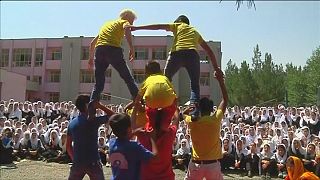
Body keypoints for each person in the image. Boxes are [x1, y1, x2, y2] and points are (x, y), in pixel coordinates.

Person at [130, 15, 220, 120]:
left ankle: (160, 103)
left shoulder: (177, 25)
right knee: (195, 86)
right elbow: (209, 51)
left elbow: (158, 26)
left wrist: (137, 28)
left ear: (179, 21)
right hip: (192, 54)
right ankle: (194, 113)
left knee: (165, 79)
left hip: (176, 53)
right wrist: (216, 68)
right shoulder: (195, 32)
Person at [87, 9, 139, 120]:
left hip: (99, 50)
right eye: (132, 21)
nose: (132, 24)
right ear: (127, 17)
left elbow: (92, 43)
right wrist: (131, 48)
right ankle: (137, 98)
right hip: (113, 49)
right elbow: (127, 29)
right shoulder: (124, 22)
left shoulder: (107, 24)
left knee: (99, 83)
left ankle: (91, 110)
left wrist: (91, 58)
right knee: (127, 76)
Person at [183, 68, 228, 180]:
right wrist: (220, 81)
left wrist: (189, 110)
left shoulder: (192, 122)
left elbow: (182, 114)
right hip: (212, 165)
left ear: (199, 110)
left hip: (196, 164)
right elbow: (225, 100)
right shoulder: (215, 119)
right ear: (211, 109)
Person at [66, 94, 115, 180]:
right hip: (93, 162)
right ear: (87, 106)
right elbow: (115, 116)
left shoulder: (72, 123)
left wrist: (74, 159)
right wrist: (100, 106)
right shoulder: (93, 121)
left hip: (78, 162)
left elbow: (68, 146)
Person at [132, 104, 180, 180]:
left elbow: (133, 124)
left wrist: (136, 103)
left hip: (146, 177)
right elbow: (176, 120)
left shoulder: (143, 133)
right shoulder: (170, 134)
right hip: (167, 177)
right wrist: (174, 106)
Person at [108, 113, 158, 180]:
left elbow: (123, 141)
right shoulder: (134, 146)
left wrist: (134, 132)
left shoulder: (112, 143)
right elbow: (155, 157)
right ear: (129, 129)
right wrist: (152, 138)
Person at [133, 60, 177, 132]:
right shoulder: (165, 78)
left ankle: (152, 126)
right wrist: (175, 106)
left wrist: (136, 104)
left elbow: (138, 97)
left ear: (146, 72)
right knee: (173, 101)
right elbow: (174, 93)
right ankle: (166, 124)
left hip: (152, 103)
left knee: (148, 107)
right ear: (159, 70)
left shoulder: (147, 80)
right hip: (167, 102)